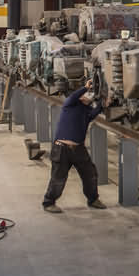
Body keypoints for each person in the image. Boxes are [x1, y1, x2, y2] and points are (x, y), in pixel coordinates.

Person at [42, 79, 108, 213]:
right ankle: (49, 202)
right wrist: (85, 87)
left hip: (79, 149)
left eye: (91, 95)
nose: (89, 96)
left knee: (90, 174)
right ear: (81, 96)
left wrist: (103, 103)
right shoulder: (70, 104)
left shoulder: (87, 111)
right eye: (87, 94)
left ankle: (93, 199)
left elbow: (95, 112)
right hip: (62, 148)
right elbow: (73, 97)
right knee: (58, 178)